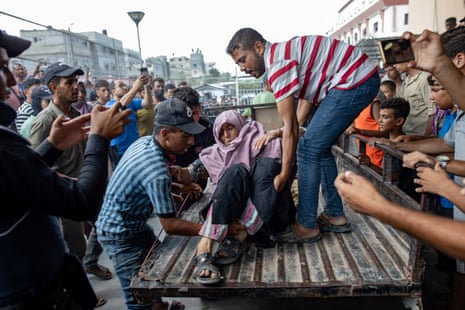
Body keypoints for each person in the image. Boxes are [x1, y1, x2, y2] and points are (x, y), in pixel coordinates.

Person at [0, 29, 131, 309]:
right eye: (2, 68)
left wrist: (53, 147)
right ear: (53, 88)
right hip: (36, 291)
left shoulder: (67, 119)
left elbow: (24, 172)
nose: (11, 80)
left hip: (46, 276)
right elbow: (72, 198)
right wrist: (99, 138)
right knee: (79, 244)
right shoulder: (27, 131)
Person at [226, 27, 380, 243]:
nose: (242, 68)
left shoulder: (277, 64)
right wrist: (281, 131)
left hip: (355, 79)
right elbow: (302, 108)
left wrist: (285, 174)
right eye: (238, 64)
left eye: (243, 60)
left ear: (259, 47)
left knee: (307, 149)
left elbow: (291, 128)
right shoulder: (284, 55)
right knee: (318, 147)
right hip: (358, 78)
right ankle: (335, 214)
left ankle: (306, 225)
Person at [96, 98, 206, 310]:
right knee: (139, 297)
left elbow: (144, 180)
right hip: (119, 234)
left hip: (133, 225)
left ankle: (159, 305)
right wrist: (210, 230)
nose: (191, 141)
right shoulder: (155, 167)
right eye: (185, 136)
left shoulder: (145, 142)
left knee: (154, 272)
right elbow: (170, 225)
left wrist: (178, 187)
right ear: (165, 134)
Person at [193, 110, 295, 285]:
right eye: (221, 131)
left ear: (240, 126)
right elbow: (221, 192)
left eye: (230, 127)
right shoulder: (215, 154)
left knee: (267, 164)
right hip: (230, 217)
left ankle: (241, 232)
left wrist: (277, 133)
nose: (226, 135)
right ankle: (206, 243)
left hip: (270, 216)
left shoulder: (262, 140)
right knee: (234, 171)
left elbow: (303, 132)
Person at [106, 76, 153, 169]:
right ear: (113, 91)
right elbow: (121, 106)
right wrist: (135, 87)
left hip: (134, 148)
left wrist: (146, 87)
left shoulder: (131, 103)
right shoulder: (109, 105)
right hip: (119, 150)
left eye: (125, 85)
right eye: (120, 86)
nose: (124, 87)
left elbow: (147, 104)